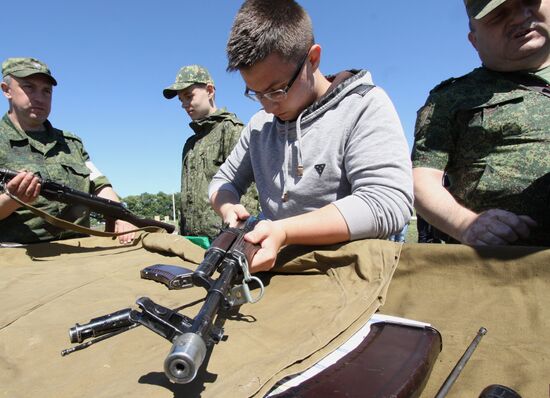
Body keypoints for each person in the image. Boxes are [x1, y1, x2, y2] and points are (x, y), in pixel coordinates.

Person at [208, 0, 413, 272]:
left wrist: (284, 232)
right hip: (277, 274)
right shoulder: (260, 125)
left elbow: (387, 203)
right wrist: (227, 206)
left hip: (349, 274)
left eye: (276, 90)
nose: (267, 106)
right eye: (255, 93)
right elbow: (223, 181)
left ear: (313, 59)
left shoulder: (363, 106)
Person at [412, 0, 550, 247]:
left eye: (528, 1)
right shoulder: (451, 97)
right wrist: (466, 225)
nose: (519, 17)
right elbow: (421, 180)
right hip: (506, 268)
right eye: (498, 15)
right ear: (474, 40)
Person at [0, 57, 135, 244]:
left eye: (46, 91)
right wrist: (12, 199)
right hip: (20, 256)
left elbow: (99, 184)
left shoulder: (71, 143)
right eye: (29, 87)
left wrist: (121, 215)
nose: (39, 98)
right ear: (7, 90)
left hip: (81, 249)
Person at [163, 65, 260, 240]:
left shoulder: (232, 130)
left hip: (225, 240)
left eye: (189, 96)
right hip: (192, 241)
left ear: (209, 91)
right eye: (180, 100)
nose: (184, 105)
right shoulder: (191, 144)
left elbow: (248, 192)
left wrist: (236, 236)